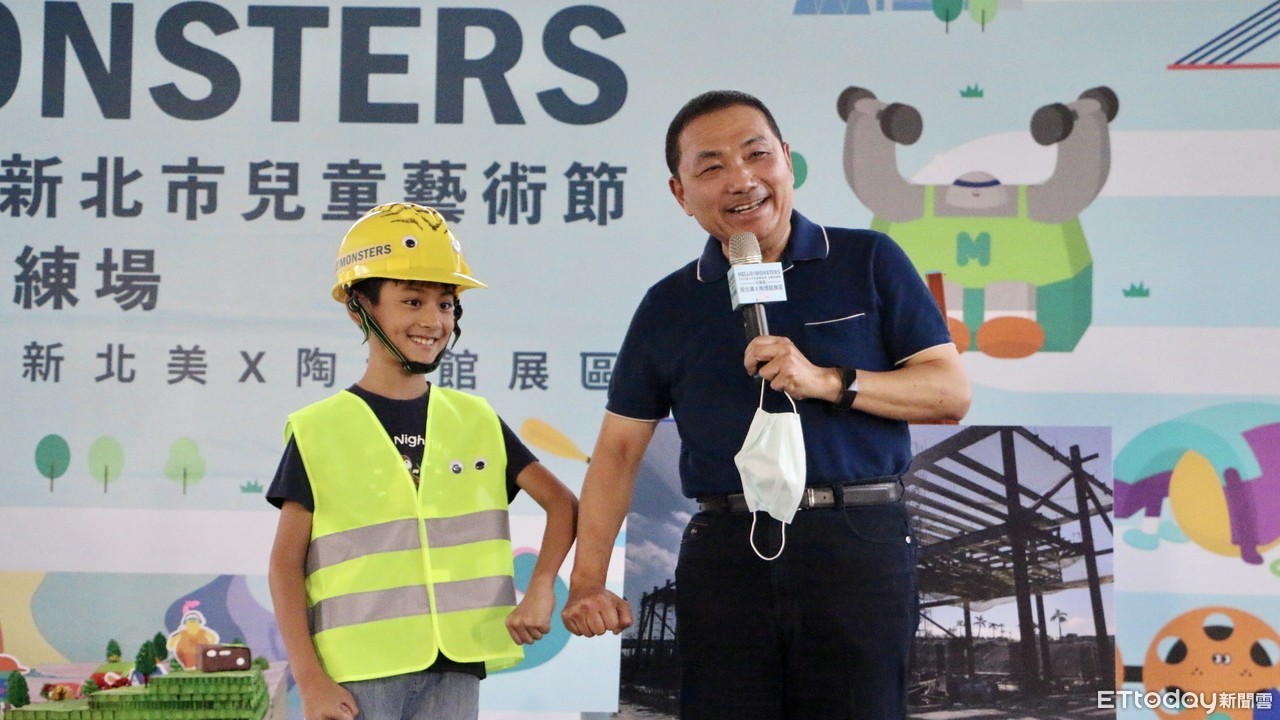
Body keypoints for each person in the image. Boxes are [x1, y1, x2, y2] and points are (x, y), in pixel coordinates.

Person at [560, 91, 971, 719]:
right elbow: (617, 451)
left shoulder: (868, 259)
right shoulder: (669, 304)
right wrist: (588, 581)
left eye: (757, 155)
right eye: (712, 166)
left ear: (787, 160)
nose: (741, 179)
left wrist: (828, 380)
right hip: (728, 549)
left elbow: (949, 393)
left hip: (856, 542)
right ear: (680, 193)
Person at [267, 202, 578, 720]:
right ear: (358, 307)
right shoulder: (318, 429)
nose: (433, 321)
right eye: (412, 301)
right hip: (357, 672)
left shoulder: (475, 420)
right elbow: (284, 565)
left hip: (457, 663)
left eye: (446, 304)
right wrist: (311, 679)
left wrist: (542, 587)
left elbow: (562, 504)